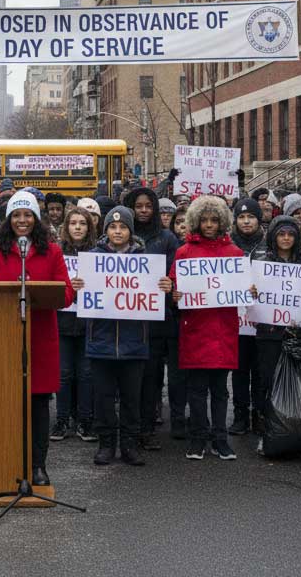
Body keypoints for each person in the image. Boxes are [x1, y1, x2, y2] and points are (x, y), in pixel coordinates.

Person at [0, 191, 73, 486]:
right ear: (8, 220)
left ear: (36, 218)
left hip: (39, 339)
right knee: (5, 405)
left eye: (27, 215)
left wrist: (37, 290)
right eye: (16, 215)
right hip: (5, 338)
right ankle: (4, 465)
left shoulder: (52, 251)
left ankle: (37, 466)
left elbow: (66, 293)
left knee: (38, 405)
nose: (22, 220)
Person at [74, 206, 170, 466]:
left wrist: (165, 287)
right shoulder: (93, 258)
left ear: (130, 230)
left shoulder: (145, 259)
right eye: (113, 227)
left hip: (134, 343)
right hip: (101, 342)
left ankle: (129, 444)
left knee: (132, 398)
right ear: (106, 231)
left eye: (123, 227)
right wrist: (76, 286)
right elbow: (78, 297)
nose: (118, 231)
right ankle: (106, 444)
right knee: (103, 398)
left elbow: (156, 295)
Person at [170, 196, 242, 462]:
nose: (209, 225)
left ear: (222, 221)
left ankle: (220, 439)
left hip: (222, 329)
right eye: (204, 220)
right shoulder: (184, 252)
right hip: (196, 329)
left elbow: (241, 290)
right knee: (197, 389)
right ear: (195, 221)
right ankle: (198, 438)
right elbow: (175, 285)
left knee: (221, 390)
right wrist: (174, 295)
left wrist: (249, 291)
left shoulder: (234, 253)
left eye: (214, 220)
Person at [124, 186, 178, 450]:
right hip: (126, 320)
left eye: (148, 206)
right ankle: (128, 429)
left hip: (157, 321)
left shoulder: (166, 238)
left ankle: (146, 429)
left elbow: (174, 271)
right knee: (130, 379)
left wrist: (169, 284)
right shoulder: (122, 234)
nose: (144, 210)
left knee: (151, 378)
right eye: (139, 206)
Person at [249, 215, 301, 453]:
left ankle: (292, 430)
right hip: (268, 333)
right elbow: (250, 298)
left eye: (290, 234)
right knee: (268, 381)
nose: (286, 239)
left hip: (295, 333)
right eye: (281, 234)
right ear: (273, 237)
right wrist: (251, 291)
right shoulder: (261, 262)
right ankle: (268, 428)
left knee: (293, 384)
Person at [53, 207, 98, 442]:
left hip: (89, 324)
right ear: (66, 227)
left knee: (86, 374)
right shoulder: (57, 254)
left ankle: (85, 420)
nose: (78, 227)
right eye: (73, 223)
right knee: (63, 374)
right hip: (62, 322)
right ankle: (61, 420)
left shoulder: (99, 253)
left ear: (89, 227)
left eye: (82, 223)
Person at [228, 197, 265, 437]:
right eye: (241, 217)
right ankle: (240, 414)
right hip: (237, 321)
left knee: (261, 371)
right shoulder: (227, 244)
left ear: (258, 219)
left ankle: (259, 414)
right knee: (240, 371)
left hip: (263, 320)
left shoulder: (268, 242)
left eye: (250, 216)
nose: (246, 221)